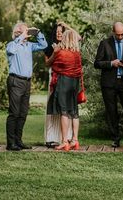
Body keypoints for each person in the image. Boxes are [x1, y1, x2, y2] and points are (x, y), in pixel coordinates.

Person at [5, 22, 47, 151]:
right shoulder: (12, 45)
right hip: (15, 81)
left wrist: (38, 33)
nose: (27, 33)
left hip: (27, 82)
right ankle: (10, 143)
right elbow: (11, 50)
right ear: (18, 32)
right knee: (14, 113)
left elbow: (43, 45)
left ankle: (18, 141)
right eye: (25, 31)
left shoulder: (29, 46)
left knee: (23, 113)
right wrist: (21, 36)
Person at [46, 28, 83, 151]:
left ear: (66, 39)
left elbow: (53, 66)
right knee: (74, 111)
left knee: (64, 112)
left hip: (64, 83)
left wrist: (55, 53)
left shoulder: (62, 53)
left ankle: (64, 141)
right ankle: (75, 140)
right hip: (74, 84)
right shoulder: (77, 54)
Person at [43, 22, 72, 147]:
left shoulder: (70, 45)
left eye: (61, 31)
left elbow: (79, 36)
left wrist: (66, 25)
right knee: (52, 106)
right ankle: (51, 137)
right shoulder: (50, 46)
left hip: (67, 76)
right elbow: (47, 63)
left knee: (65, 107)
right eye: (57, 31)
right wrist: (54, 53)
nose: (59, 33)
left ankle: (66, 137)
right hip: (54, 77)